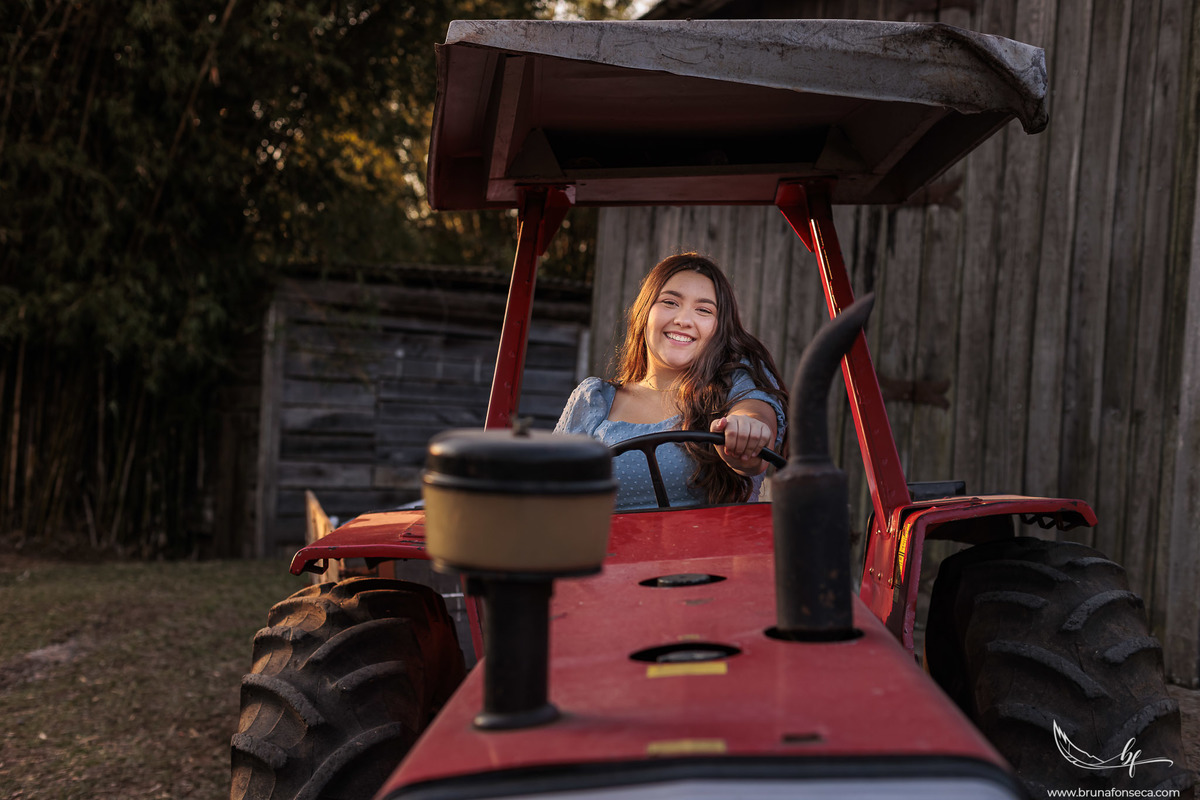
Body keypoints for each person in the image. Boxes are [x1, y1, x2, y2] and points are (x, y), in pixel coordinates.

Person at [555, 253, 787, 510]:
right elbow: (552, 491)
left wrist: (746, 429)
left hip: (709, 551)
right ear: (645, 312)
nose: (683, 320)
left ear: (720, 328)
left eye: (703, 310)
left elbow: (755, 423)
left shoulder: (736, 384)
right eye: (670, 302)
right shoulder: (594, 398)